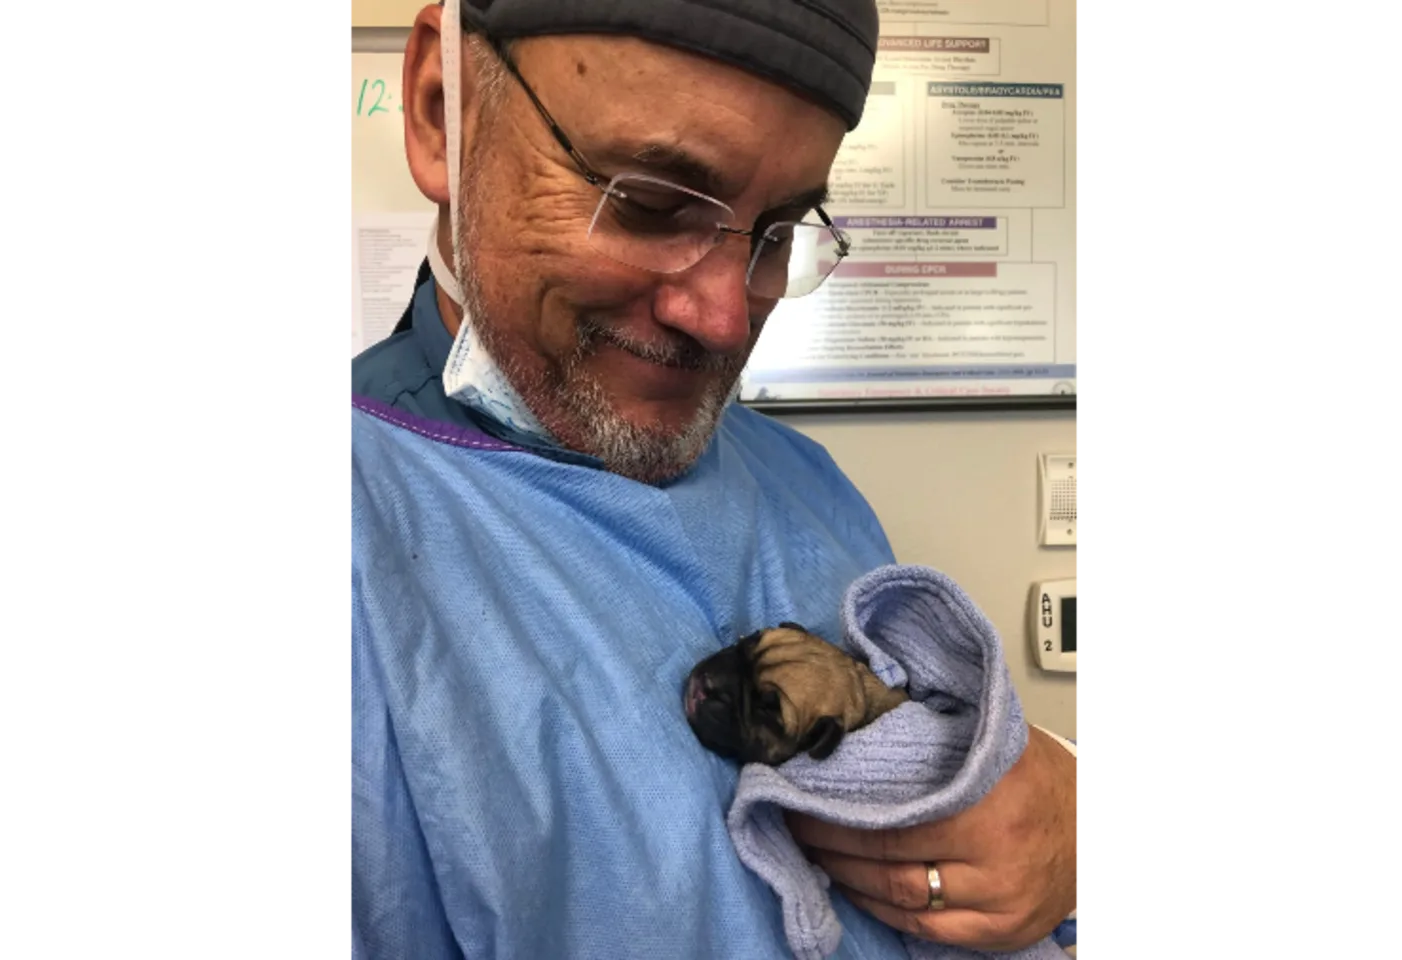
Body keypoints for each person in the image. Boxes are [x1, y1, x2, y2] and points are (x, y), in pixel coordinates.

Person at [348, 2, 1080, 957]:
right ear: (444, 113)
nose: (728, 319)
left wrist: (1065, 815)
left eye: (778, 229)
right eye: (651, 201)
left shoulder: (808, 481)